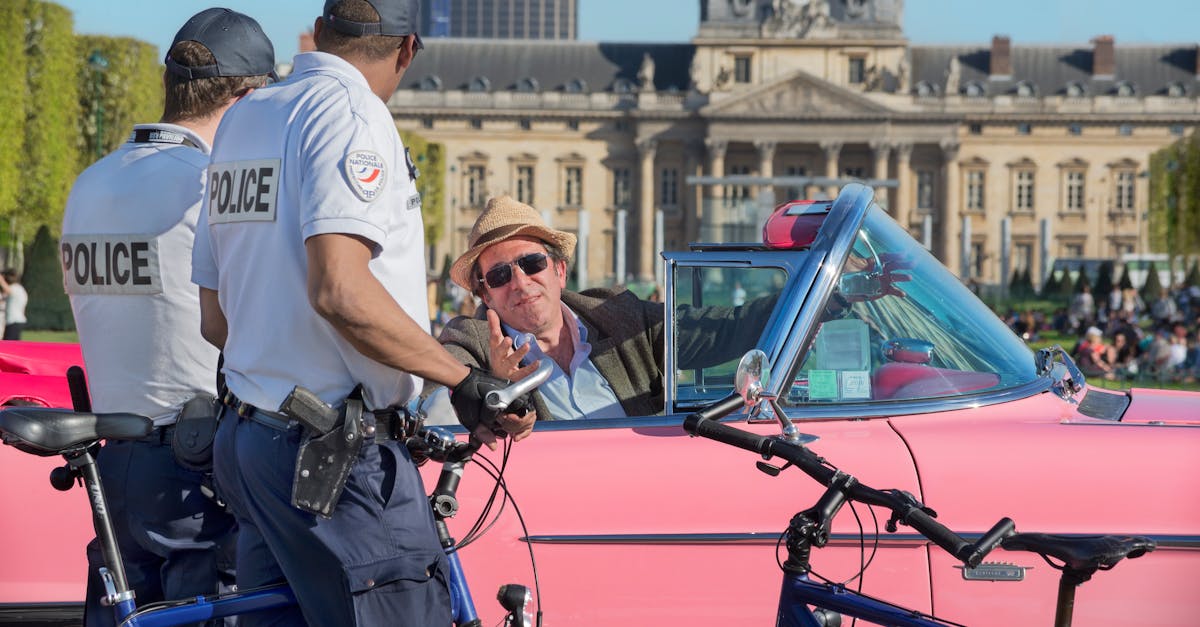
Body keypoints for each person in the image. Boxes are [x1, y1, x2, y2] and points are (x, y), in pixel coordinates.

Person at [190, 2, 530, 624]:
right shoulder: (352, 113)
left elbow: (215, 319)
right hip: (334, 460)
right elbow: (341, 292)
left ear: (319, 33)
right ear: (408, 49)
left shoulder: (244, 119)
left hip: (251, 440)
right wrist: (464, 380)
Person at [59, 9, 276, 626]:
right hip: (196, 465)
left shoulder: (90, 182)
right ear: (243, 97)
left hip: (114, 456)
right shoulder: (210, 184)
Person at [433, 195, 774, 421]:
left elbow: (724, 329)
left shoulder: (617, 314)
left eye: (532, 263)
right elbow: (441, 392)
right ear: (486, 295)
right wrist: (493, 384)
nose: (520, 283)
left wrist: (821, 297)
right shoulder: (471, 342)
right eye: (499, 274)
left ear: (560, 270)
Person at [0, 270, 27, 340]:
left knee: (6, 346)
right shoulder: (20, 289)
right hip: (17, 321)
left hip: (13, 321)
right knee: (15, 346)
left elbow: (6, 288)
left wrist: (1, 279)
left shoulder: (14, 288)